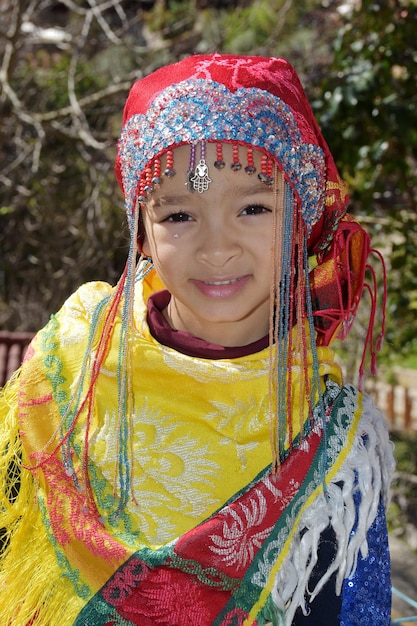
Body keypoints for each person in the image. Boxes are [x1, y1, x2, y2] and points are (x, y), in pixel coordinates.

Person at [0, 54, 394, 626]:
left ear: (302, 218)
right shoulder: (68, 368)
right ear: (143, 232)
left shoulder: (333, 444)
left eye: (254, 207)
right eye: (179, 215)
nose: (216, 247)